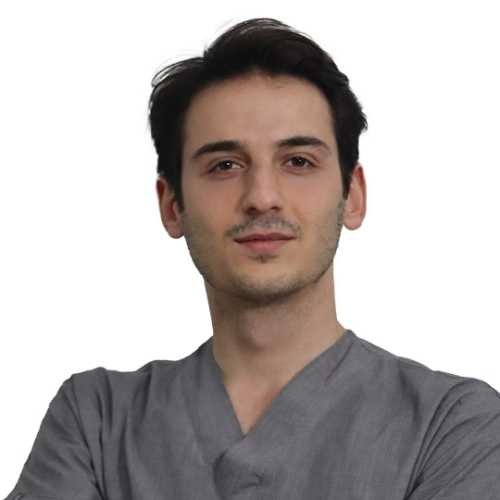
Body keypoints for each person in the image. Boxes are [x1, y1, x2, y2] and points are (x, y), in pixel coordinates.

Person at [4, 17, 500, 500]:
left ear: (352, 195)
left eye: (298, 162)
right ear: (172, 205)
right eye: (224, 165)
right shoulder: (96, 421)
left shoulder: (452, 426)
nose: (262, 197)